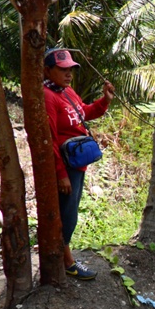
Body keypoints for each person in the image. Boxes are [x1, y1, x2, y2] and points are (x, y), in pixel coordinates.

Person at [43, 48, 115, 279]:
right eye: (62, 69)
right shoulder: (47, 96)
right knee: (67, 214)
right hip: (66, 165)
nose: (68, 74)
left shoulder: (67, 92)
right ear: (47, 70)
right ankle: (67, 262)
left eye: (71, 69)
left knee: (70, 211)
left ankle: (64, 257)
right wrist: (61, 173)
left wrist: (105, 100)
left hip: (77, 163)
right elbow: (51, 139)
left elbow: (84, 113)